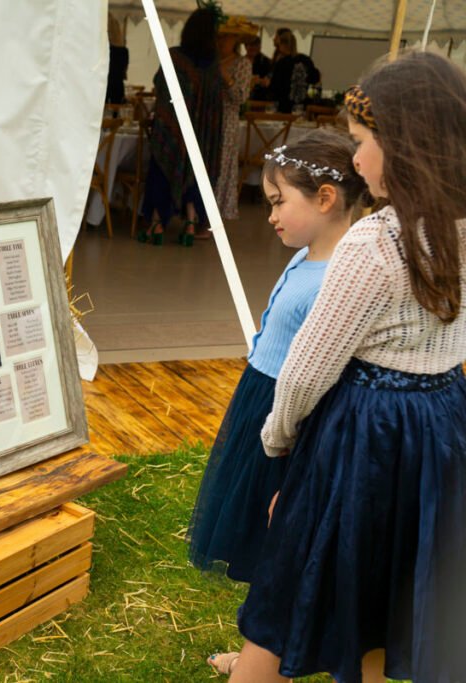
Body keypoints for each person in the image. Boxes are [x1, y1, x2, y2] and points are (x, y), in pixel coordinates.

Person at [209, 51, 466, 683]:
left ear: (403, 145)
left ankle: (255, 670)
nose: (355, 159)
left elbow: (306, 370)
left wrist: (278, 443)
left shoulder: (373, 243)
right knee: (385, 578)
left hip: (364, 435)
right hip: (439, 430)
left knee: (293, 573)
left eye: (361, 142)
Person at [190, 130, 367, 587]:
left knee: (279, 523)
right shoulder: (306, 256)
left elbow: (318, 371)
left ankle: (266, 642)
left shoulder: (338, 278)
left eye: (278, 202)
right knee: (253, 517)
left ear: (325, 198)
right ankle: (259, 637)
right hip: (260, 395)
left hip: (287, 413)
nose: (269, 216)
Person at [139, 6, 224, 247]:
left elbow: (160, 85)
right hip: (201, 136)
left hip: (172, 132)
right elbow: (216, 101)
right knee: (196, 174)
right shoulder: (213, 64)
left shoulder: (174, 57)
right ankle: (189, 222)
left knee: (162, 171)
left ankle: (156, 224)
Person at [214, 17, 256, 221]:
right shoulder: (209, 62)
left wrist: (226, 78)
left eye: (227, 38)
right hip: (208, 119)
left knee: (222, 167)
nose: (222, 42)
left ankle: (215, 214)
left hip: (227, 121)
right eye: (220, 37)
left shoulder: (242, 64)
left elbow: (241, 97)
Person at [269, 30, 319, 114]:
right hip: (301, 107)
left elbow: (274, 88)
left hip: (284, 108)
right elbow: (315, 79)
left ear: (282, 44)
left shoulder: (281, 63)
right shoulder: (306, 60)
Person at [106, 13, 129, 105]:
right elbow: (124, 70)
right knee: (116, 113)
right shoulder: (124, 51)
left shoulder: (105, 50)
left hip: (105, 85)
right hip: (118, 86)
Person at [246, 35, 272, 101]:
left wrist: (261, 81)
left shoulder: (266, 61)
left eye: (255, 45)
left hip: (260, 98)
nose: (253, 48)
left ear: (260, 47)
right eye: (250, 45)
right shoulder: (241, 61)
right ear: (246, 46)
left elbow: (269, 78)